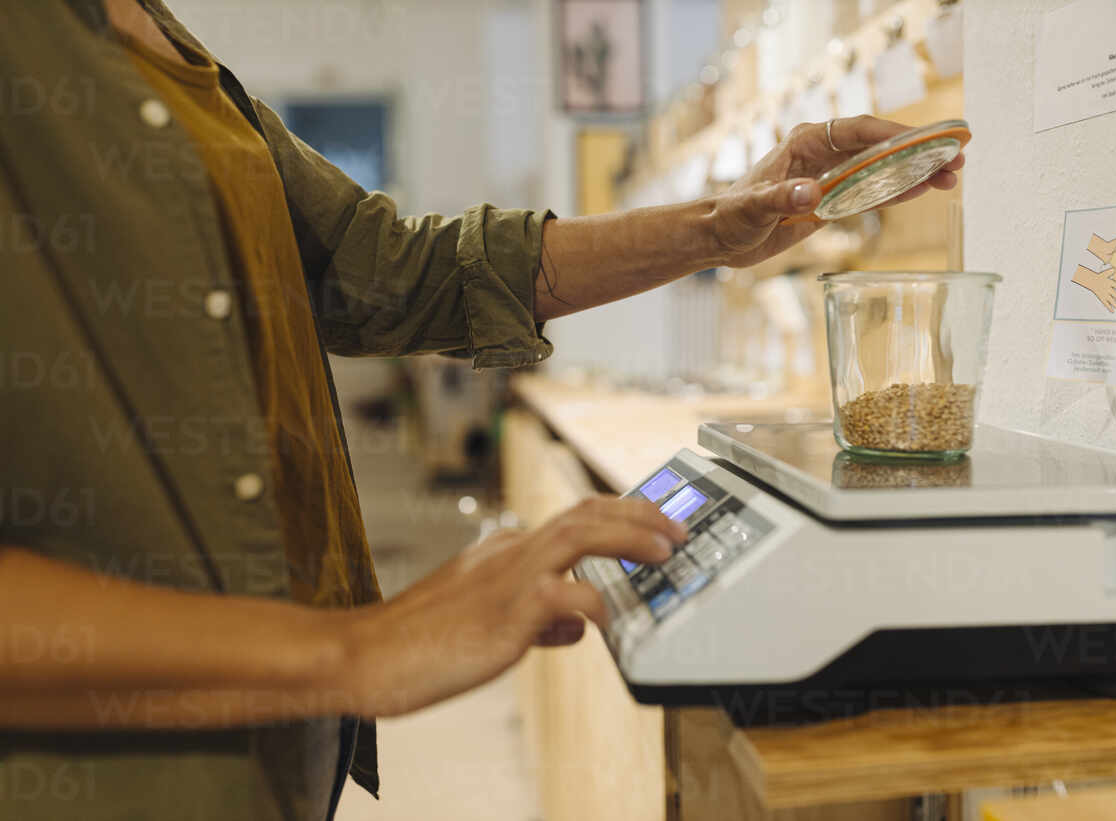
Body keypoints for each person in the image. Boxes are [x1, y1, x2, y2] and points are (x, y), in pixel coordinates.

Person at [0, 1, 965, 819]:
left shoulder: (160, 33)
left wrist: (721, 223)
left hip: (271, 751)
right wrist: (349, 648)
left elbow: (386, 269)